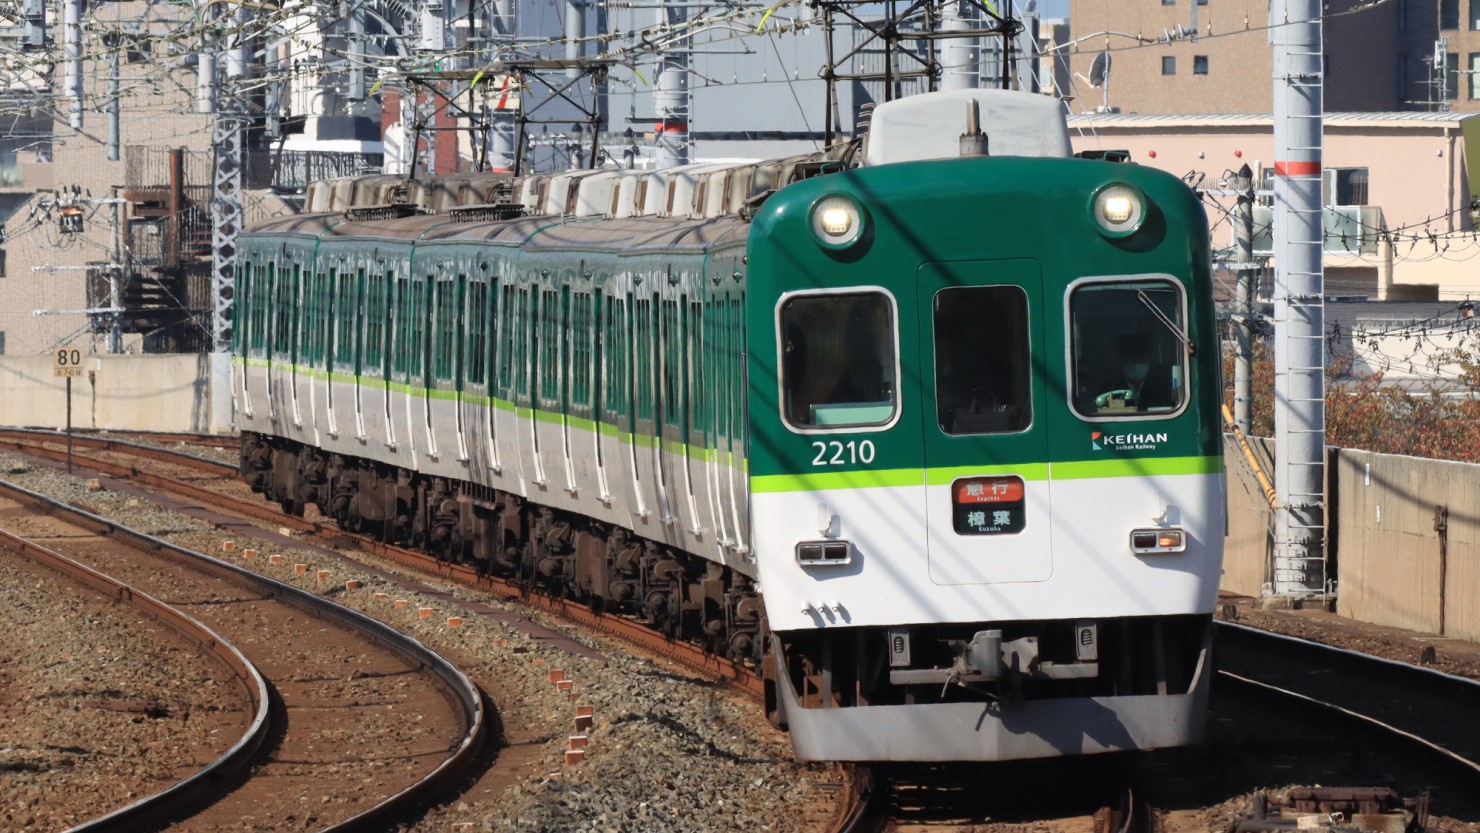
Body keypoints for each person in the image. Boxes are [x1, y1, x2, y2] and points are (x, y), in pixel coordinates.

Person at [1089, 332, 1177, 413]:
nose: (1136, 363)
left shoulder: (1164, 388)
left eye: (1141, 359)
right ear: (1122, 360)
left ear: (1150, 359)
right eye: (1131, 359)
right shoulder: (1107, 389)